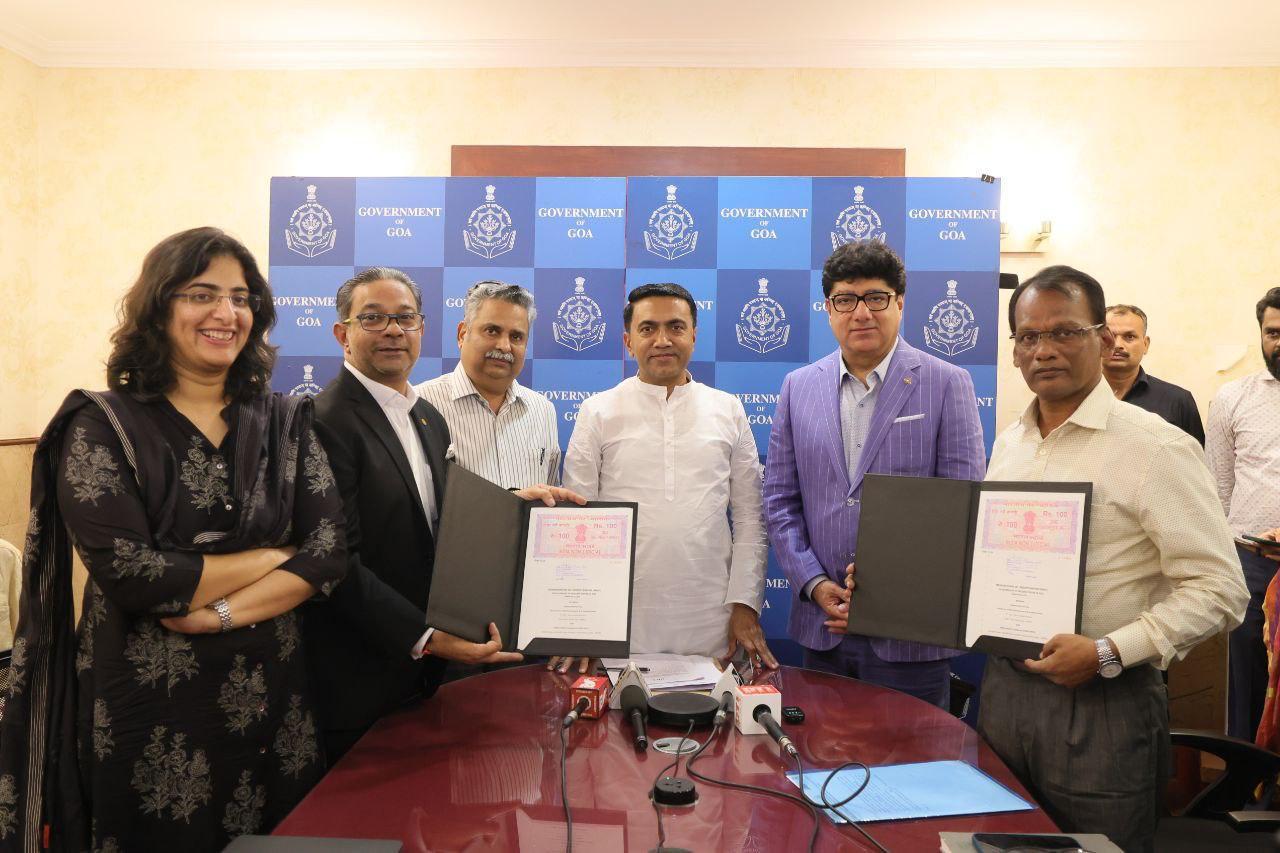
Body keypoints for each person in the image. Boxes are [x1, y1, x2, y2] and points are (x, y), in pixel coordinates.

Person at [0, 227, 348, 851]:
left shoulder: (286, 421)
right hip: (147, 714)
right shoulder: (101, 424)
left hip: (274, 710)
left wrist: (216, 615)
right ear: (158, 309)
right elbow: (134, 577)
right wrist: (272, 557)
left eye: (241, 298)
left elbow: (327, 556)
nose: (225, 313)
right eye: (200, 294)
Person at [978, 265, 1247, 853]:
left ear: (1102, 339)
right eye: (1028, 336)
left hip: (1103, 703)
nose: (1044, 350)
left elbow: (1221, 589)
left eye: (1065, 332)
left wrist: (1106, 652)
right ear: (1016, 350)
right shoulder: (1008, 442)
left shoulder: (1157, 446)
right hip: (1003, 698)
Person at [305, 267, 580, 761]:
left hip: (451, 662)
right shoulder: (322, 420)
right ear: (343, 334)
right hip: (375, 666)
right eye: (374, 319)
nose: (393, 330)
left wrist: (514, 504)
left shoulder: (422, 418)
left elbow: (443, 514)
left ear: (420, 328)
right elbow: (333, 560)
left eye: (405, 318)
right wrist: (429, 638)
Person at [763, 241, 986, 708]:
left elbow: (963, 510)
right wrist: (814, 584)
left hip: (909, 639)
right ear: (828, 309)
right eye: (846, 299)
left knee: (910, 772)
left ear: (900, 303)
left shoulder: (947, 382)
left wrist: (884, 602)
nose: (861, 312)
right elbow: (780, 502)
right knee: (819, 768)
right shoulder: (797, 388)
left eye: (876, 298)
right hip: (822, 630)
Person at [557, 283, 773, 672]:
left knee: (713, 730)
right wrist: (581, 621)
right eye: (647, 329)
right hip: (618, 619)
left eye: (675, 327)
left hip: (712, 622)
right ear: (627, 340)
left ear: (693, 334)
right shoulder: (598, 412)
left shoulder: (727, 410)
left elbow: (750, 519)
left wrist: (744, 606)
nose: (662, 340)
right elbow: (577, 525)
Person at [1206, 286, 1280, 740]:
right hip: (1251, 564)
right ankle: (1247, 794)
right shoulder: (1232, 398)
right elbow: (1217, 490)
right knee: (1247, 684)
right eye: (1273, 332)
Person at [415, 280, 559, 489]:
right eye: (492, 331)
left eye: (516, 336)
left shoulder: (543, 410)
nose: (504, 346)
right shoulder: (420, 405)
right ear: (462, 334)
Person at [1101, 303, 1204, 443]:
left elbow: (1194, 462)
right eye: (1110, 336)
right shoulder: (1075, 397)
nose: (1118, 344)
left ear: (1146, 344)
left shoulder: (1178, 401)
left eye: (1129, 337)